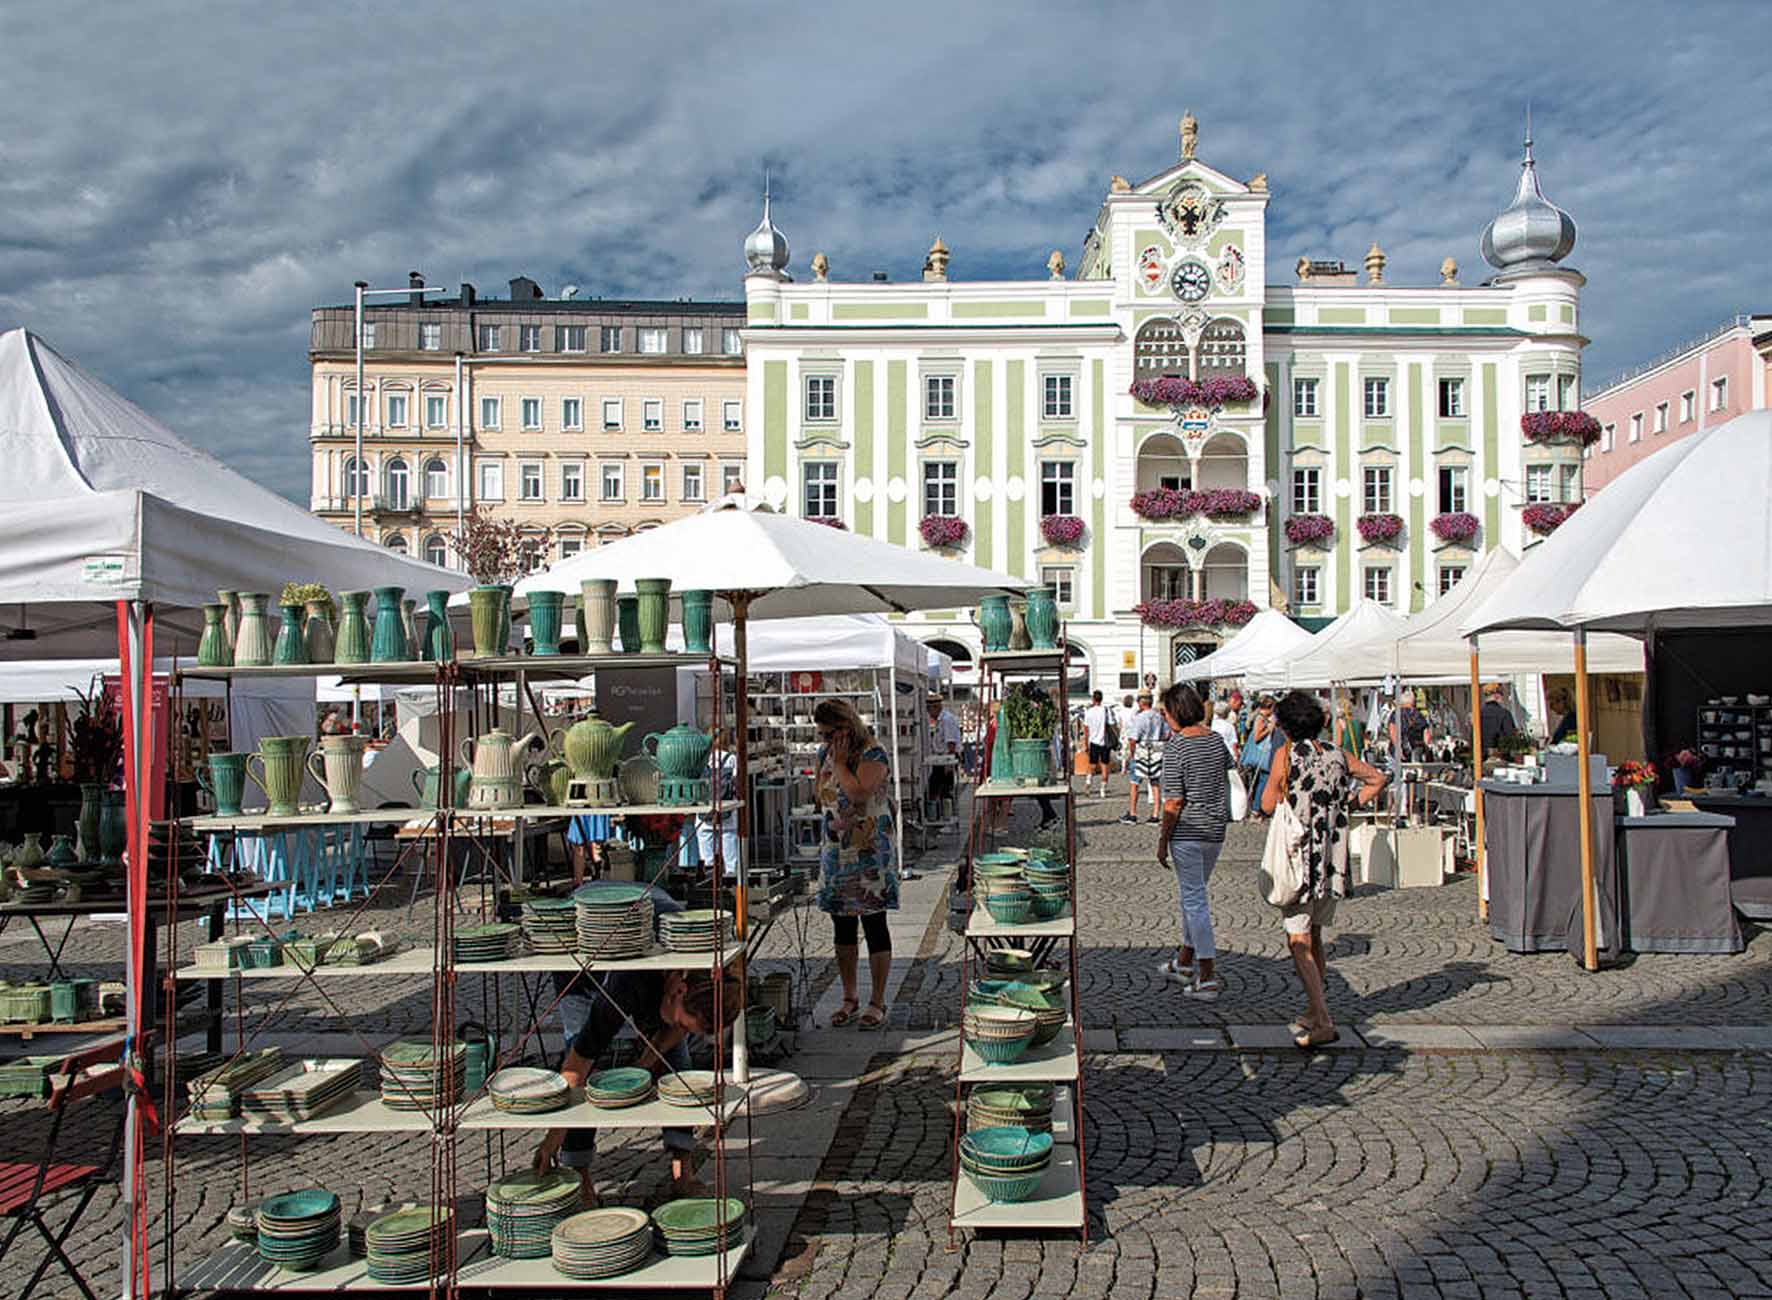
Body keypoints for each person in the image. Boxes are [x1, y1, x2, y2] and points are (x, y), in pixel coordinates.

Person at [536, 957, 744, 1206]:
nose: (682, 1029)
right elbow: (579, 1062)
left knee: (679, 1072)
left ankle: (682, 1171)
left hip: (652, 977)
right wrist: (551, 1140)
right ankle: (579, 1176)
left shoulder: (702, 974)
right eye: (681, 1023)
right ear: (679, 990)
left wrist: (642, 1065)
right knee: (586, 1065)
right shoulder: (628, 984)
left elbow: (677, 1031)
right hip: (582, 977)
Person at [1259, 691, 1387, 1049]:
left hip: (1300, 857)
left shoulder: (1286, 757)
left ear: (1285, 727)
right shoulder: (1336, 753)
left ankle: (1323, 1018)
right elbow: (1378, 779)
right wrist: (1347, 806)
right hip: (1332, 857)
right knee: (1315, 935)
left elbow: (1268, 803)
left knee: (1298, 940)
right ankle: (1315, 1010)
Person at [814, 698, 898, 1029]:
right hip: (837, 851)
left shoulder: (873, 754)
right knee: (842, 927)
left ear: (845, 729)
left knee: (874, 924)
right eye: (820, 735)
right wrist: (830, 762)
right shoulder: (826, 755)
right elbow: (821, 795)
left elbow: (860, 793)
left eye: (826, 734)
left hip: (869, 852)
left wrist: (839, 765)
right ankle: (849, 996)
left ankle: (877, 1000)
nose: (822, 741)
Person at [1155, 683, 1235, 999]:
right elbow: (1229, 771)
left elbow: (1173, 802)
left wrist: (1163, 840)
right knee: (1194, 895)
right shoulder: (1215, 740)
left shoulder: (1176, 748)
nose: (1163, 717)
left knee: (1195, 901)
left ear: (1176, 712)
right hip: (1215, 830)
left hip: (1188, 831)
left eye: (1165, 712)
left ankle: (1208, 974)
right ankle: (1185, 962)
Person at [695, 726, 741, 880]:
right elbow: (736, 783)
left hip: (704, 813)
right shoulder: (731, 758)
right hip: (727, 812)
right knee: (731, 858)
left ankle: (709, 882)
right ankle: (732, 885)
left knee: (707, 858)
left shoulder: (701, 759)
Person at [1121, 691, 1168, 825]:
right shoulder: (1159, 717)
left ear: (1141, 702)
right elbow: (1166, 735)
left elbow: (1133, 738)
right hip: (1156, 752)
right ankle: (1155, 814)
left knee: (1134, 783)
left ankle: (1133, 813)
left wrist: (1131, 753)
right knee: (1155, 783)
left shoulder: (1139, 718)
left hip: (1141, 751)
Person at [1242, 696, 1277, 818]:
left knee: (1260, 780)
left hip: (1257, 754)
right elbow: (1257, 737)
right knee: (1263, 780)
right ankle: (1256, 809)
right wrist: (1269, 729)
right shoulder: (1261, 718)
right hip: (1260, 754)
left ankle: (1257, 807)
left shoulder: (1258, 716)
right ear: (1270, 707)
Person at [1082, 690, 1113, 797]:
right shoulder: (1105, 710)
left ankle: (1088, 784)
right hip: (1104, 742)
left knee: (1092, 765)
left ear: (1093, 699)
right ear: (1101, 699)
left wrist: (1085, 744)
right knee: (1105, 766)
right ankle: (1103, 789)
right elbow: (1111, 724)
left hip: (1093, 741)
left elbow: (1086, 729)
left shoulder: (1088, 712)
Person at [1390, 689, 1432, 761]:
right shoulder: (1418, 714)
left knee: (1397, 769)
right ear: (1413, 702)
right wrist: (1426, 747)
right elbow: (1426, 732)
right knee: (1415, 768)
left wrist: (1397, 747)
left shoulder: (1395, 714)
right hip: (1416, 747)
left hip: (1400, 746)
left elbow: (1392, 730)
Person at [1480, 683, 1520, 752]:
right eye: (1502, 695)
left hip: (1480, 757)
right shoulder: (1504, 714)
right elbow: (1511, 739)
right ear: (1497, 696)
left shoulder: (1478, 714)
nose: (1503, 698)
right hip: (1500, 757)